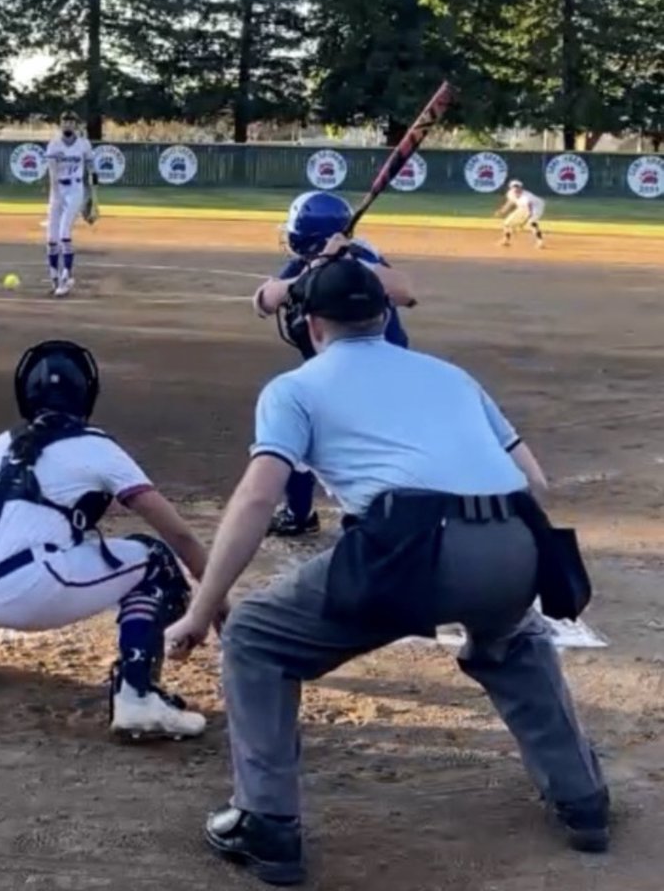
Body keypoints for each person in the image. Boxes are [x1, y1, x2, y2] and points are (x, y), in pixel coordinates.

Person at [167, 258, 609, 885]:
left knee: (258, 635)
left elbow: (259, 499)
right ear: (384, 314)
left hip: (413, 548)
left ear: (310, 325)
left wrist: (202, 605)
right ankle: (584, 800)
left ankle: (266, 822)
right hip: (521, 542)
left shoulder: (296, 388)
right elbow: (534, 480)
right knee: (512, 640)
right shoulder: (451, 375)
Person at [0, 339, 209, 740]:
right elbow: (177, 533)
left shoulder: (3, 443)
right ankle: (137, 697)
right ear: (87, 393)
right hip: (30, 591)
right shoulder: (97, 446)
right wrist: (218, 602)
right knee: (155, 559)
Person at [253, 190, 416, 539]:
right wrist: (316, 269)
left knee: (357, 442)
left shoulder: (361, 257)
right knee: (300, 429)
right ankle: (299, 514)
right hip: (335, 372)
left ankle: (381, 515)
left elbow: (406, 292)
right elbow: (263, 300)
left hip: (382, 372)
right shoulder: (310, 262)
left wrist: (354, 264)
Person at [46, 112, 96, 297]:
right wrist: (55, 195)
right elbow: (51, 173)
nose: (67, 125)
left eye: (71, 122)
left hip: (76, 189)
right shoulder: (54, 144)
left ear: (76, 125)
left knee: (64, 232)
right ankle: (54, 277)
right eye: (64, 122)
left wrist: (93, 199)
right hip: (57, 190)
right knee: (51, 238)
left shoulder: (84, 144)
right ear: (60, 124)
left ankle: (66, 277)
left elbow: (91, 171)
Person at [496, 179, 546, 249]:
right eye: (513, 187)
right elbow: (510, 202)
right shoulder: (510, 193)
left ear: (521, 188)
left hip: (536, 207)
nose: (515, 188)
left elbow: (530, 211)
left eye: (517, 187)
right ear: (511, 188)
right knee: (506, 223)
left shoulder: (526, 197)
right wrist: (502, 211)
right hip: (523, 207)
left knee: (532, 223)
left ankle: (540, 242)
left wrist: (522, 223)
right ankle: (506, 240)